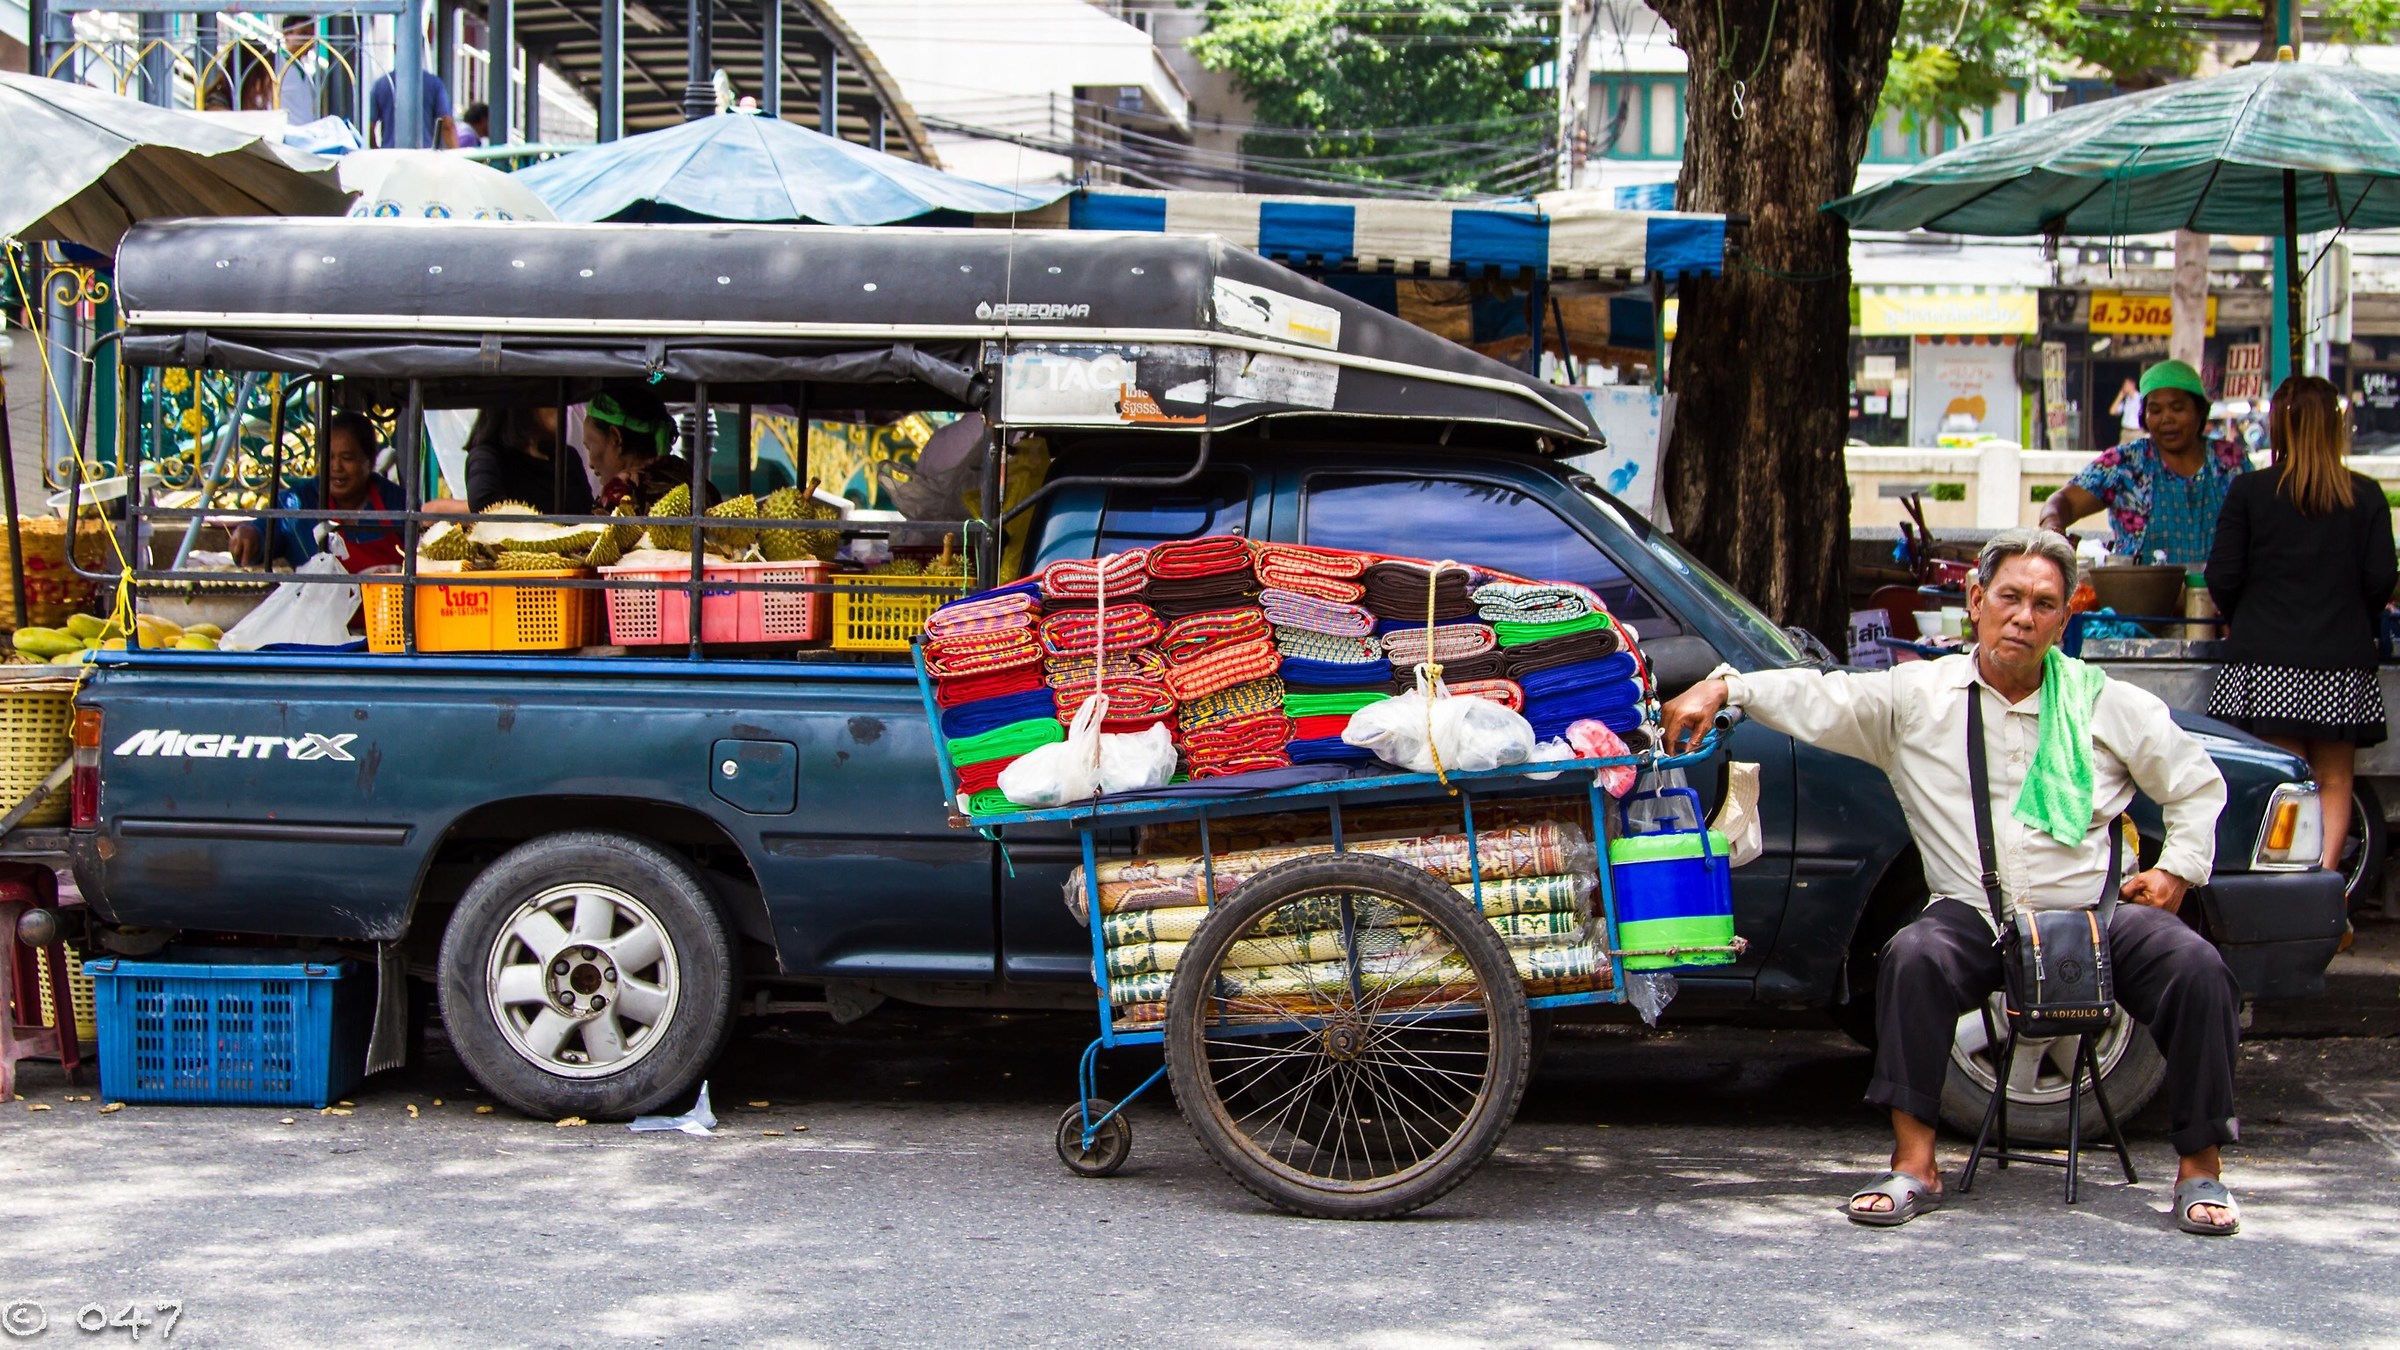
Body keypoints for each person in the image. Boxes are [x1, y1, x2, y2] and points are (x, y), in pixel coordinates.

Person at [1660, 527, 2244, 1236]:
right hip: (1977, 913)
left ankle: (2201, 1171)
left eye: (2044, 604)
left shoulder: (2103, 702)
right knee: (1912, 956)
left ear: (2065, 619)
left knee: (2198, 968)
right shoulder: (1919, 696)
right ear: (1976, 602)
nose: (2023, 617)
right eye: (2010, 598)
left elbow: (2195, 785)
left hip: (2093, 915)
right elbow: (1823, 697)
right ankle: (1915, 1164)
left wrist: (2176, 871)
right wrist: (1725, 686)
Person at [2206, 375, 2397, 884]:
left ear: (2278, 426)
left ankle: (2285, 897)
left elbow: (2222, 574)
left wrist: (2245, 614)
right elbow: (2381, 578)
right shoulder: (2366, 495)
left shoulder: (2250, 491)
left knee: (2284, 779)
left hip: (2266, 659)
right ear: (2336, 426)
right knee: (2334, 777)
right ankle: (2327, 892)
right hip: (2340, 659)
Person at [2040, 359, 2252, 564]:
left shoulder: (2230, 461)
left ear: (2200, 411)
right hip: (2140, 595)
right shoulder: (2125, 464)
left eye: (2177, 408)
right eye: (2156, 410)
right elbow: (2062, 502)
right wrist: (2053, 530)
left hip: (2221, 596)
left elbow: (2257, 522)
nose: (2166, 419)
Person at [229, 412, 406, 572]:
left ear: (371, 459)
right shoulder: (298, 503)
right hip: (317, 607)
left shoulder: (397, 502)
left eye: (347, 458)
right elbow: (264, 531)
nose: (336, 467)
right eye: (329, 457)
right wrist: (249, 535)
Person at [583, 388, 714, 512]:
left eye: (590, 447)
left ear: (616, 437)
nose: (590, 463)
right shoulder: (694, 479)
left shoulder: (621, 493)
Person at [463, 405, 592, 516]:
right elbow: (484, 505)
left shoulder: (567, 457)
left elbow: (588, 512)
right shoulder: (488, 458)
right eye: (548, 396)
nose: (561, 407)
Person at [368, 66, 458, 149]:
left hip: (391, 156)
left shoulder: (381, 84)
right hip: (423, 155)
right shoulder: (434, 84)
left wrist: (376, 151)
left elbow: (369, 128)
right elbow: (447, 125)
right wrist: (456, 158)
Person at [279, 17, 319, 121]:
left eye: (311, 36)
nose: (308, 42)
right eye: (303, 34)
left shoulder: (305, 70)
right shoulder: (277, 64)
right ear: (287, 34)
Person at [2109, 376, 2143, 446]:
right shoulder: (2125, 400)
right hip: (2126, 432)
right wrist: (2120, 397)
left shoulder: (2140, 398)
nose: (2124, 387)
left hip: (2137, 432)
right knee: (2121, 454)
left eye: (2126, 384)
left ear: (2132, 385)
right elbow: (2112, 411)